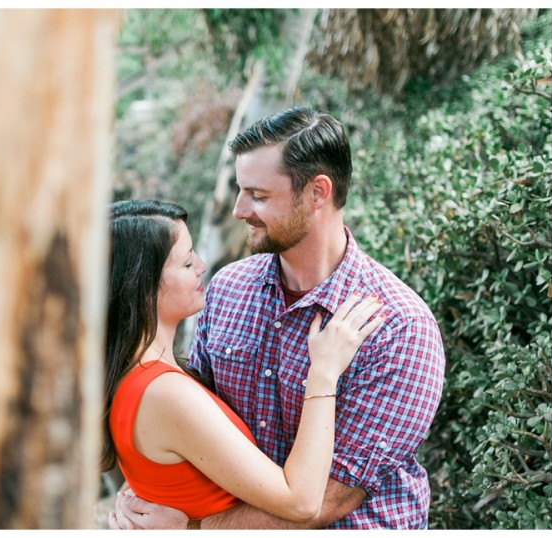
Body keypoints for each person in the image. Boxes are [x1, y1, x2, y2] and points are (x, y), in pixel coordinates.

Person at [111, 107, 446, 529]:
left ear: (317, 193)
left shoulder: (399, 326)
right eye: (240, 190)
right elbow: (196, 424)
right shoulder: (228, 289)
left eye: (259, 195)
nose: (238, 209)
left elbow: (325, 500)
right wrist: (154, 484)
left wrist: (191, 528)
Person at [103, 199, 385, 527]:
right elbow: (302, 502)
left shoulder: (131, 377)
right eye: (185, 262)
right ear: (143, 284)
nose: (202, 266)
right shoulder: (165, 392)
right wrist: (323, 373)